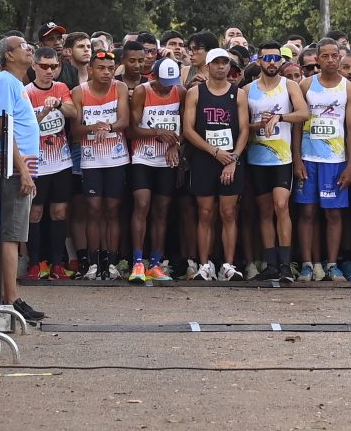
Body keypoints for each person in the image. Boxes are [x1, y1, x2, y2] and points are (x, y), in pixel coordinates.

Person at [0, 33, 44, 322]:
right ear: (8, 55)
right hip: (12, 167)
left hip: (17, 165)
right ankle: (12, 297)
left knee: (13, 232)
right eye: (23, 47)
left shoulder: (14, 83)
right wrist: (22, 170)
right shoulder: (7, 82)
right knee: (13, 233)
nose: (29, 50)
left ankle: (7, 294)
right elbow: (4, 128)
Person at [243, 44, 308, 285]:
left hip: (283, 158)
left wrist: (280, 117)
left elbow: (303, 113)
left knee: (282, 206)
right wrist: (258, 125)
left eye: (276, 58)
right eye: (267, 58)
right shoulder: (248, 90)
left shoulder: (289, 85)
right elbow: (242, 125)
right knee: (264, 211)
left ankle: (285, 265)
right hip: (257, 158)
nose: (272, 62)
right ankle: (270, 264)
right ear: (259, 61)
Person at [295, 38, 351, 280]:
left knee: (333, 214)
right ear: (317, 59)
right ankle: (307, 264)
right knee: (307, 212)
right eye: (326, 56)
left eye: (335, 55)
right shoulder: (305, 85)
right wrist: (297, 160)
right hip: (308, 157)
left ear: (340, 58)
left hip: (335, 160)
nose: (331, 60)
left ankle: (332, 264)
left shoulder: (348, 88)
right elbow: (298, 126)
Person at [182, 46, 245, 281]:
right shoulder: (196, 93)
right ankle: (204, 264)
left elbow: (244, 130)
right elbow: (188, 129)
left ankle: (228, 264)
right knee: (205, 212)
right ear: (207, 66)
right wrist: (214, 151)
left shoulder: (238, 94)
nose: (221, 66)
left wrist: (233, 159)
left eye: (225, 62)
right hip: (204, 159)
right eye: (216, 62)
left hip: (230, 160)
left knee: (228, 212)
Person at [74, 45, 136, 280]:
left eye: (110, 68)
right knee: (93, 210)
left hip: (116, 159)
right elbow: (74, 129)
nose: (107, 73)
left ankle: (110, 262)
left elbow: (124, 120)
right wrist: (93, 128)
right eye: (101, 68)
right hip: (91, 160)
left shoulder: (119, 88)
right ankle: (92, 262)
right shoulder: (79, 92)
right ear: (90, 69)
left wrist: (108, 127)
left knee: (112, 210)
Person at [129, 52, 186, 279]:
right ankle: (137, 262)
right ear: (153, 77)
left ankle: (155, 262)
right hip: (143, 157)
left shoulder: (180, 91)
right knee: (142, 204)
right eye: (163, 84)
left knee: (162, 210)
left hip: (167, 159)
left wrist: (176, 145)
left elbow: (185, 126)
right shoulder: (143, 91)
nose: (166, 89)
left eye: (170, 84)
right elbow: (132, 129)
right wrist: (157, 132)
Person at [25, 46, 78, 281]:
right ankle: (36, 263)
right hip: (37, 163)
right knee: (35, 213)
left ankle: (58, 263)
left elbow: (73, 112)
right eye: (44, 66)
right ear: (34, 66)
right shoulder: (26, 92)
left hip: (62, 162)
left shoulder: (62, 88)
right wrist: (43, 114)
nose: (49, 71)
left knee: (59, 212)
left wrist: (57, 105)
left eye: (54, 66)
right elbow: (26, 127)